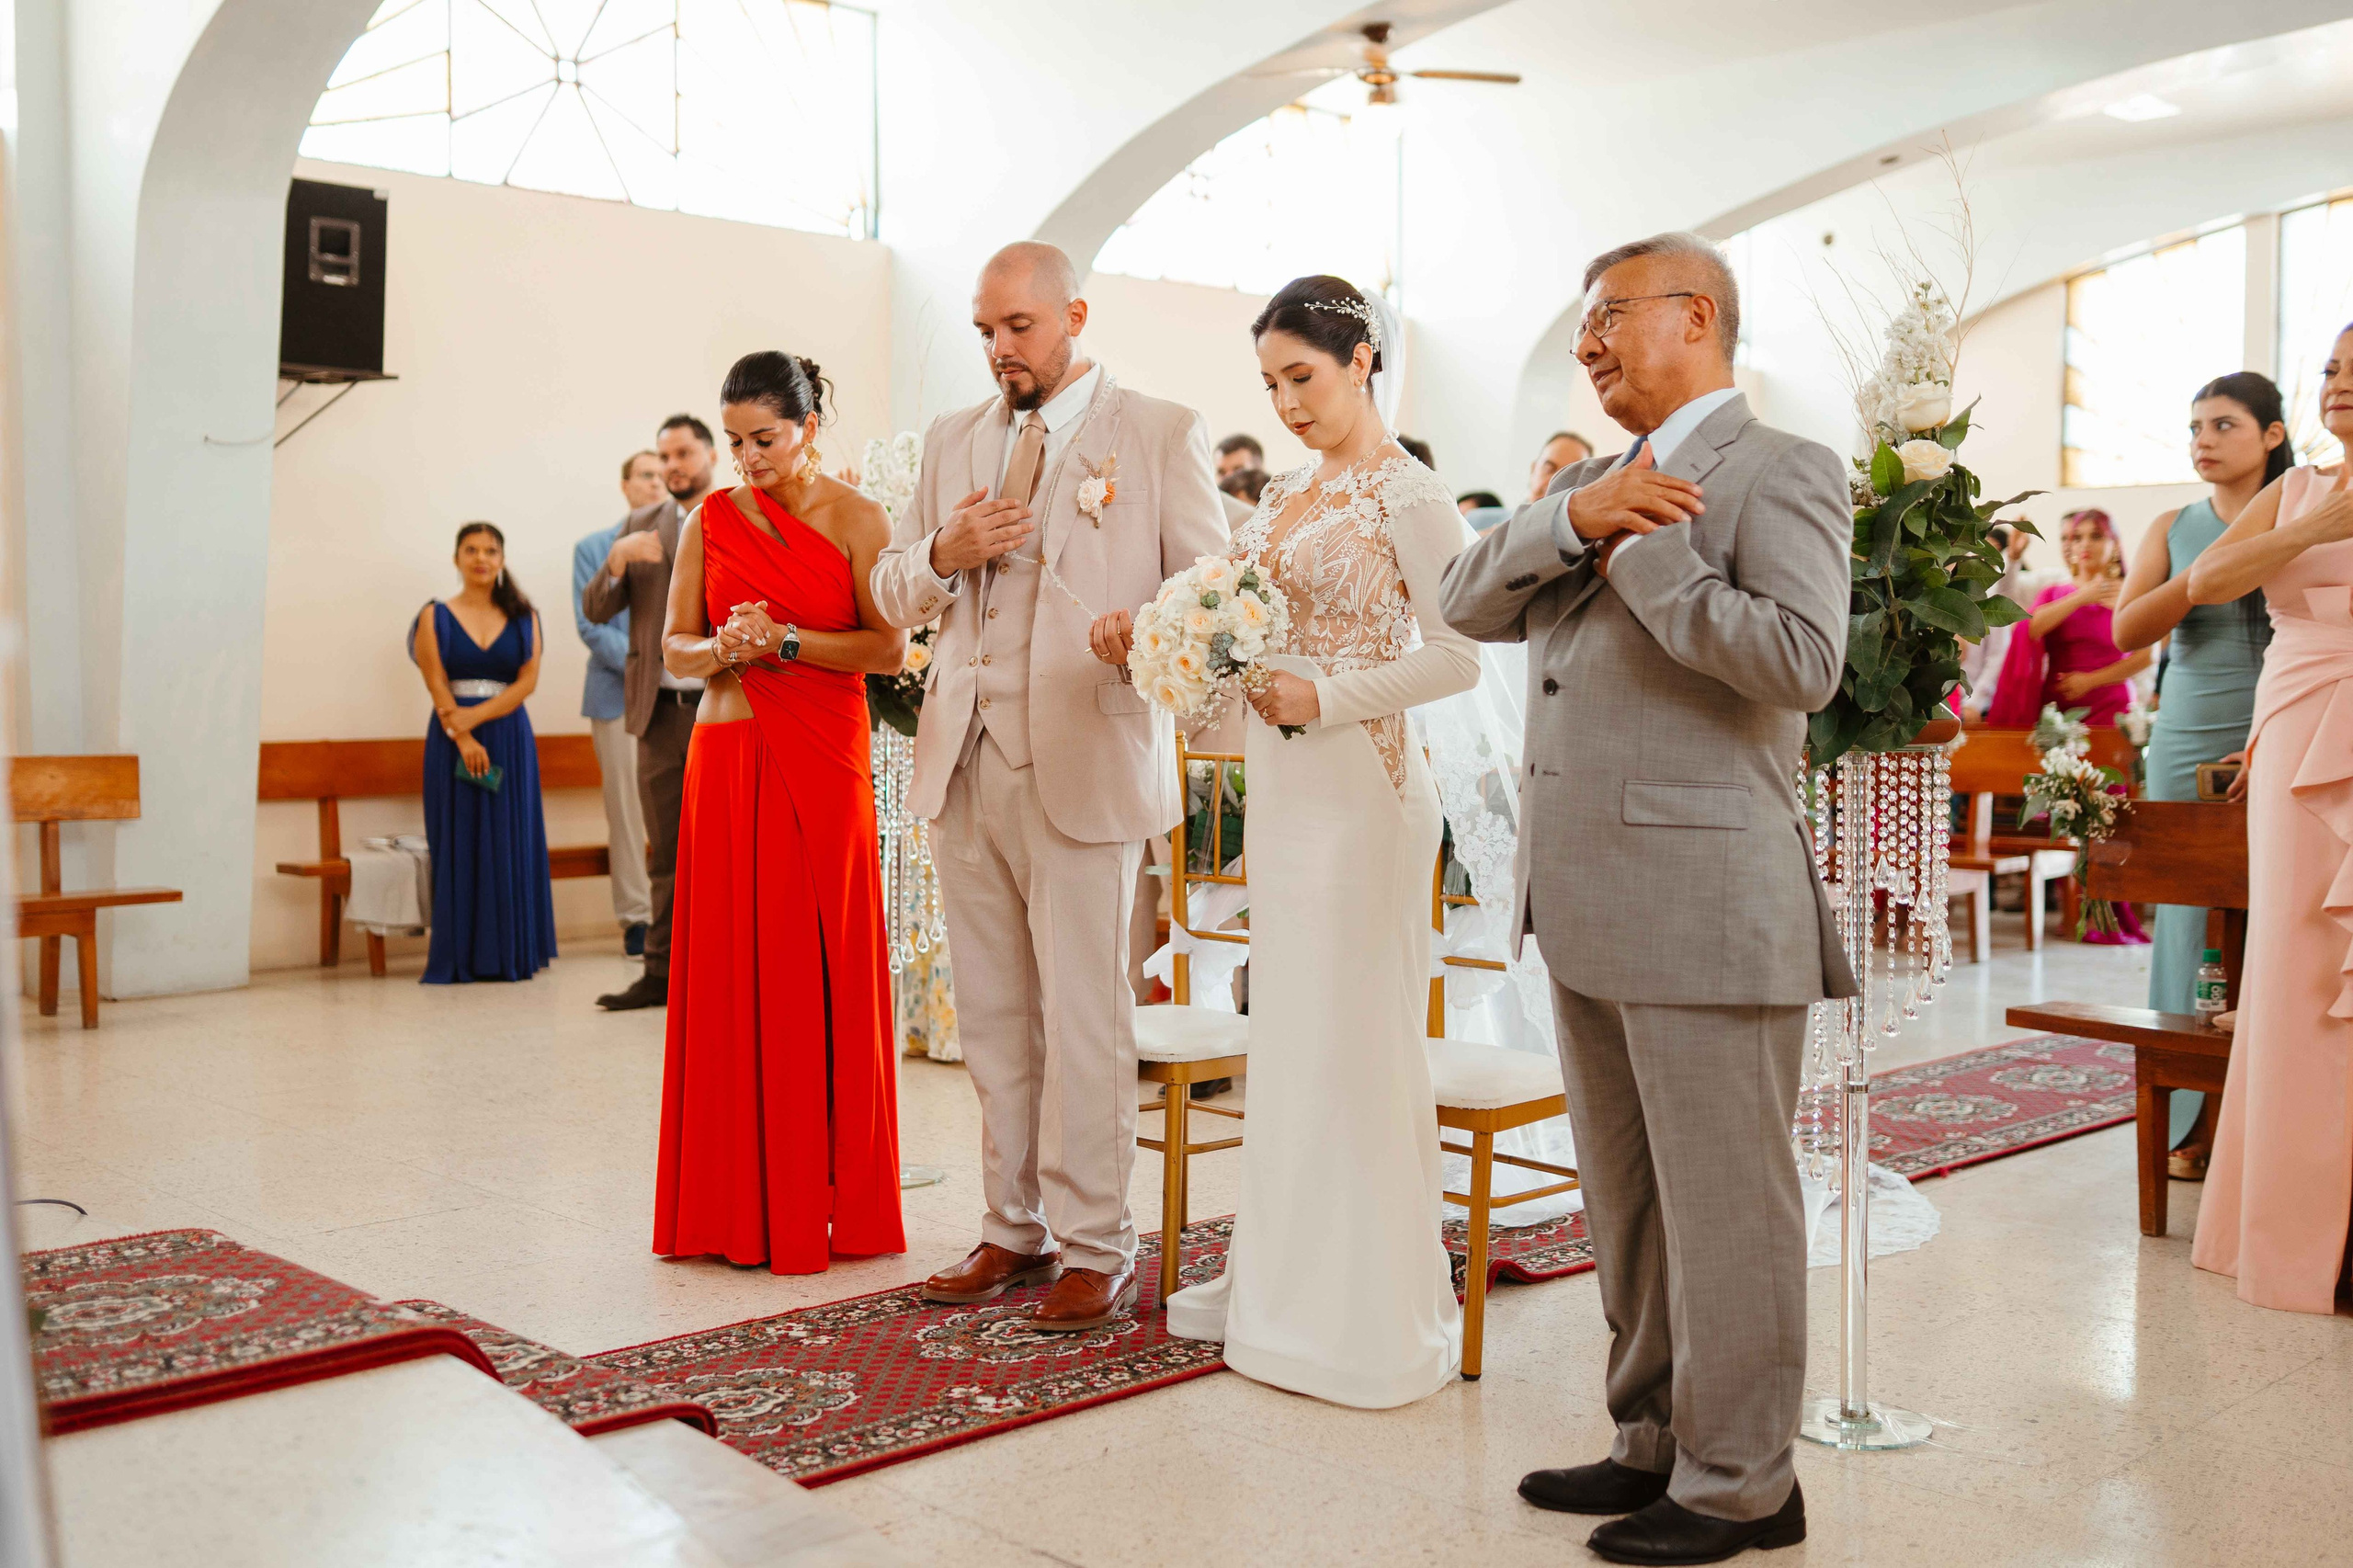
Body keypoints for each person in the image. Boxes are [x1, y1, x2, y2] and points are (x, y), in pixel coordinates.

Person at [1440, 232, 1852, 1564]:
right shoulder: (1599, 476)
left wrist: (1651, 560)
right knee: (1627, 1199)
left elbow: (1801, 662)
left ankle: (1746, 1483)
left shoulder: (1784, 468)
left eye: (1609, 316)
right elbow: (1464, 602)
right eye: (1583, 323)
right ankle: (1652, 1440)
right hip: (1584, 894)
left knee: (1727, 1204)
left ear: (1694, 316)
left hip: (1710, 898)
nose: (1589, 344)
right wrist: (1575, 514)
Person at [870, 242, 1228, 1330]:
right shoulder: (953, 439)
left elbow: (1210, 600)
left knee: (1084, 1017)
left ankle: (1096, 1243)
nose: (998, 350)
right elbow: (890, 589)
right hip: (964, 760)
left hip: (1083, 753)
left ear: (1072, 313)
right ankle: (1010, 1225)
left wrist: (1147, 634)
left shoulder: (1157, 431)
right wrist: (944, 544)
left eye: (1017, 327)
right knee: (991, 1017)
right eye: (985, 330)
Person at [1154, 277, 1481, 1407]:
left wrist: (1328, 694)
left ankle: (1360, 1302)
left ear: (1362, 362)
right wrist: (1188, 656)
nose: (1287, 403)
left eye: (1303, 376)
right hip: (1287, 794)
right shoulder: (1286, 496)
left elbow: (1459, 654)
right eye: (1270, 383)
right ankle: (1282, 1284)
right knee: (1289, 1034)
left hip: (1366, 788)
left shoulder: (1410, 495)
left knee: (1354, 1035)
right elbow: (1236, 621)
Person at [651, 351, 907, 1273]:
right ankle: (730, 1202)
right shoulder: (708, 520)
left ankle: (822, 1197)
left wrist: (790, 638)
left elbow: (888, 650)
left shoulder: (860, 518)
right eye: (734, 442)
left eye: (765, 438)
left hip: (822, 758)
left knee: (816, 966)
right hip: (726, 755)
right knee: (727, 969)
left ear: (808, 426)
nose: (747, 458)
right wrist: (722, 645)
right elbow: (673, 649)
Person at [2188, 322, 2353, 1316]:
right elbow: (2205, 582)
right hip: (2295, 728)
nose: (2340, 384)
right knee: (2294, 963)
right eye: (2334, 367)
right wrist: (2316, 528)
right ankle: (2289, 1233)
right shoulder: (2292, 491)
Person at [2112, 372, 2286, 1168]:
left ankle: (2268, 1116)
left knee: (2279, 908)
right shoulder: (2173, 525)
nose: (2204, 441)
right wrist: (2205, 569)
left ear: (2273, 437)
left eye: (2225, 425)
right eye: (2195, 428)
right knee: (2187, 918)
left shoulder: (2304, 511)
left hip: (2283, 715)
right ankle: (2187, 1117)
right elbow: (2127, 633)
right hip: (2185, 730)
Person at [583, 415, 719, 1011]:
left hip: (724, 707)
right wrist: (616, 560)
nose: (672, 466)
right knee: (665, 852)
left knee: (728, 849)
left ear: (712, 453)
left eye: (684, 453)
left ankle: (725, 971)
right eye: (665, 457)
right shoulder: (640, 526)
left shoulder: (739, 515)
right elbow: (595, 607)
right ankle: (659, 973)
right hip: (659, 714)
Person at [413, 522, 558, 983]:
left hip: (508, 741)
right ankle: (460, 957)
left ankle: (510, 954)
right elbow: (435, 680)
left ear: (501, 559)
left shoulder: (524, 615)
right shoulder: (433, 615)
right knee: (456, 840)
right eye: (471, 550)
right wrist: (462, 734)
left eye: (490, 550)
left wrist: (474, 721)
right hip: (452, 740)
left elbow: (528, 682)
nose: (481, 558)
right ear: (456, 558)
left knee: (509, 839)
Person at [574, 452, 660, 958]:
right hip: (617, 698)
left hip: (679, 696)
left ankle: (683, 916)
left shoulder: (684, 539)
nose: (654, 483)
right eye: (644, 475)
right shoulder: (593, 548)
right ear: (625, 487)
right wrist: (641, 666)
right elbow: (591, 624)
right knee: (627, 813)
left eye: (659, 474)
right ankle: (636, 918)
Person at [1987, 508, 2152, 728]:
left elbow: (2147, 656)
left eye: (2096, 536)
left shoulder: (2129, 594)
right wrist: (2080, 598)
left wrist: (2091, 681)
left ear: (2114, 545)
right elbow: (2029, 628)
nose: (2085, 544)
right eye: (2077, 538)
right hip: (2057, 711)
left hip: (2112, 708)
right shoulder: (2053, 593)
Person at [1960, 522, 2058, 718]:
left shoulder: (1989, 598)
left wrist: (1975, 703)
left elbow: (1996, 657)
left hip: (1976, 705)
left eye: (1991, 550)